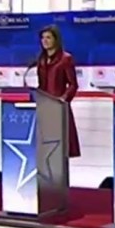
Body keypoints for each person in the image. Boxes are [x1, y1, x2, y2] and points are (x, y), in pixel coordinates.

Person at [36, 25, 81, 158]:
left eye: (48, 38)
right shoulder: (41, 60)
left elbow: (73, 85)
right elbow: (41, 85)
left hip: (60, 107)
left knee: (61, 148)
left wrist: (63, 99)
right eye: (43, 38)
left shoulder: (65, 59)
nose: (45, 41)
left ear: (56, 40)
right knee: (47, 148)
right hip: (45, 108)